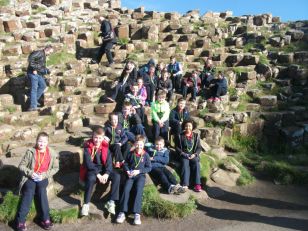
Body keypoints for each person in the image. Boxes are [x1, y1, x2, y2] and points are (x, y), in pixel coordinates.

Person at [16, 132, 59, 231]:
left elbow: (56, 168)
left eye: (44, 142)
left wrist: (43, 175)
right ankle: (20, 221)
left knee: (41, 191)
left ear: (47, 142)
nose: (41, 144)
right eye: (40, 141)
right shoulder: (30, 151)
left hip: (43, 177)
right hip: (30, 177)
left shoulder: (52, 153)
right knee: (29, 192)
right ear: (36, 141)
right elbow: (21, 166)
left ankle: (45, 219)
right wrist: (30, 173)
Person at [80, 126, 120, 216]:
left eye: (100, 138)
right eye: (95, 137)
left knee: (117, 176)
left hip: (104, 169)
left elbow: (109, 163)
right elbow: (88, 163)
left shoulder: (106, 148)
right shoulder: (87, 148)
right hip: (92, 169)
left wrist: (106, 174)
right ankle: (86, 204)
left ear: (103, 138)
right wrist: (98, 174)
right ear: (92, 137)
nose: (97, 140)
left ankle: (111, 202)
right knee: (90, 179)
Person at [116, 135, 151, 225]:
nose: (139, 146)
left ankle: (137, 213)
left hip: (140, 176)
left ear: (143, 145)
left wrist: (139, 171)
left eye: (141, 145)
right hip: (130, 175)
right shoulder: (130, 153)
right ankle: (122, 212)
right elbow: (125, 163)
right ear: (135, 144)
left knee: (139, 189)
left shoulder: (146, 155)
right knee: (126, 189)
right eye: (137, 144)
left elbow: (149, 167)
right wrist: (127, 170)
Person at [175, 120, 202, 192]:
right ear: (184, 126)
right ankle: (185, 184)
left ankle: (197, 184)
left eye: (189, 126)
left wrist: (195, 154)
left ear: (192, 127)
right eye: (186, 126)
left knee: (196, 163)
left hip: (193, 154)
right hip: (184, 155)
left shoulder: (196, 136)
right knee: (184, 163)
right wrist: (184, 154)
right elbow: (177, 147)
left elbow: (199, 148)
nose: (188, 127)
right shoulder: (180, 136)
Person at [27, 45, 54, 111]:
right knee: (34, 89)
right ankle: (33, 106)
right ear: (47, 49)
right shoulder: (39, 53)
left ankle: (34, 101)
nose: (50, 54)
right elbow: (30, 59)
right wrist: (34, 68)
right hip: (33, 73)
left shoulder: (44, 55)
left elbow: (41, 65)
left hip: (38, 74)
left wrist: (48, 71)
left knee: (43, 85)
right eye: (50, 52)